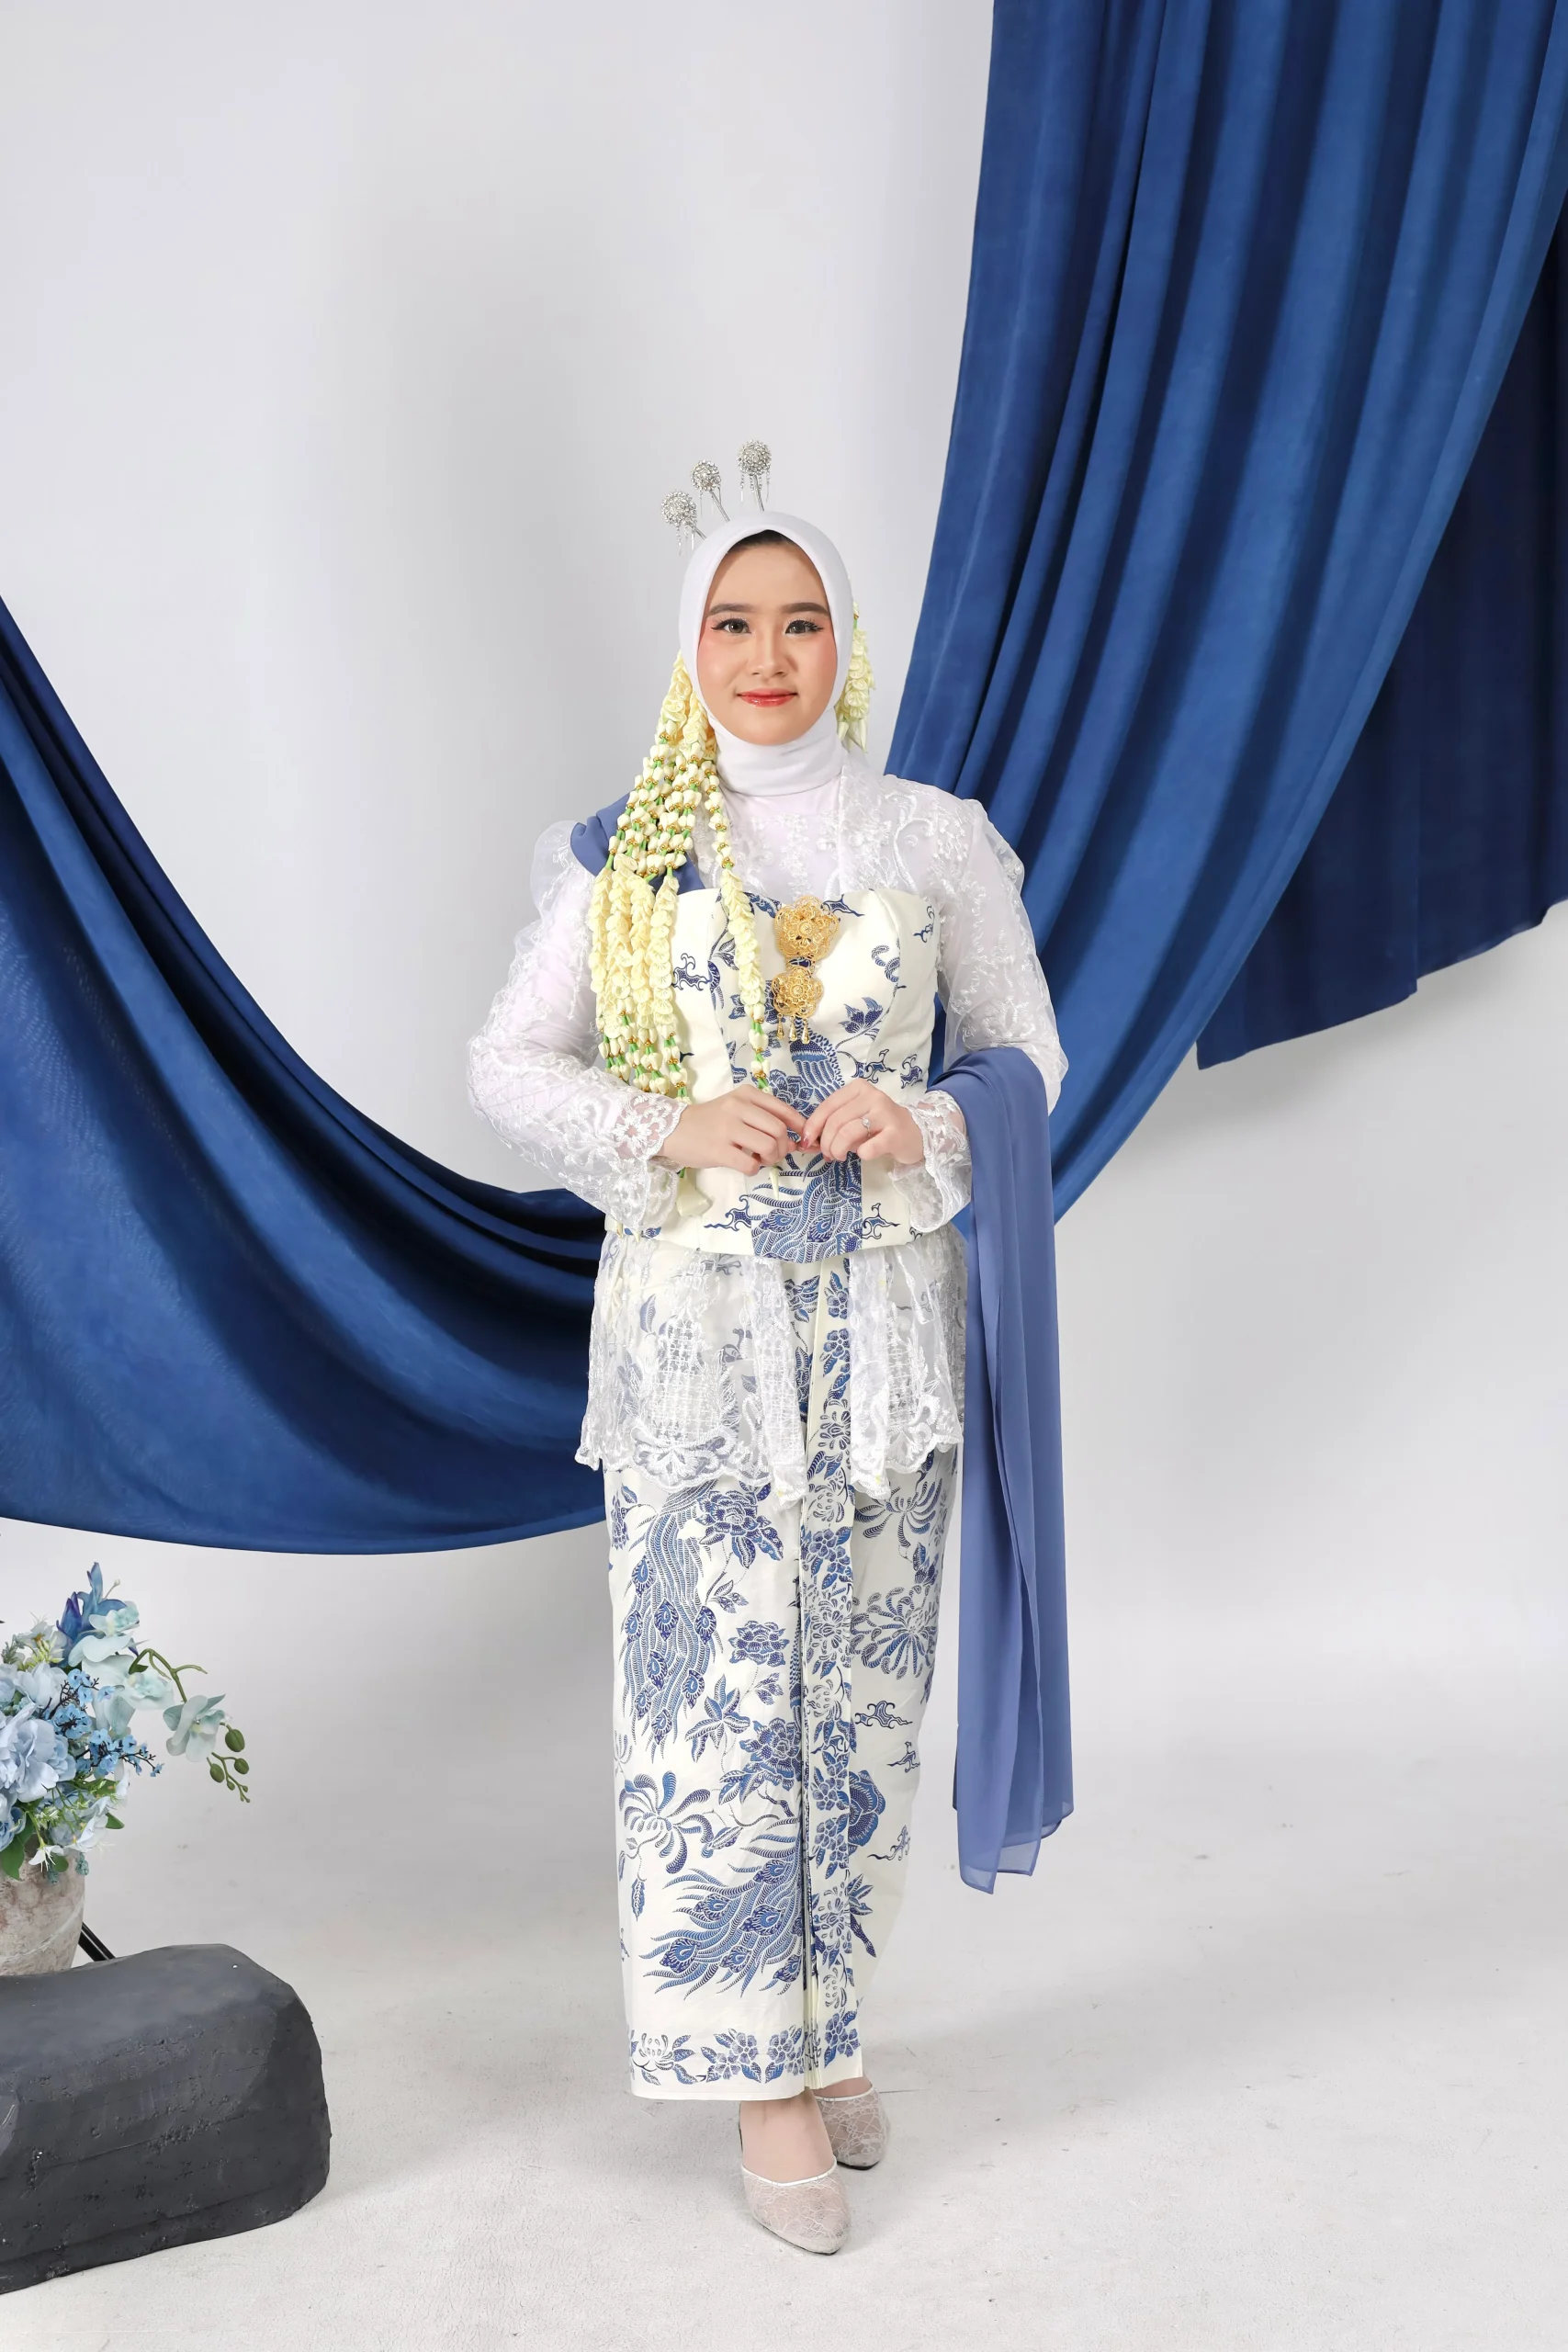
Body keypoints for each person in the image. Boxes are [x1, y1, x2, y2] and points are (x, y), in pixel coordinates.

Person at [468, 481, 1065, 2253]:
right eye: (732, 624)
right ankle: (760, 2081)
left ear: (845, 642)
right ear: (690, 648)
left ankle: (827, 2019)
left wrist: (924, 1114)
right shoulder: (621, 856)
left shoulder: (932, 838)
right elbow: (509, 1062)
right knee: (720, 1701)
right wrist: (666, 1121)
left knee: (861, 1698)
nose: (766, 657)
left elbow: (1027, 1052)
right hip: (699, 1347)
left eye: (801, 622)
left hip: (882, 1342)